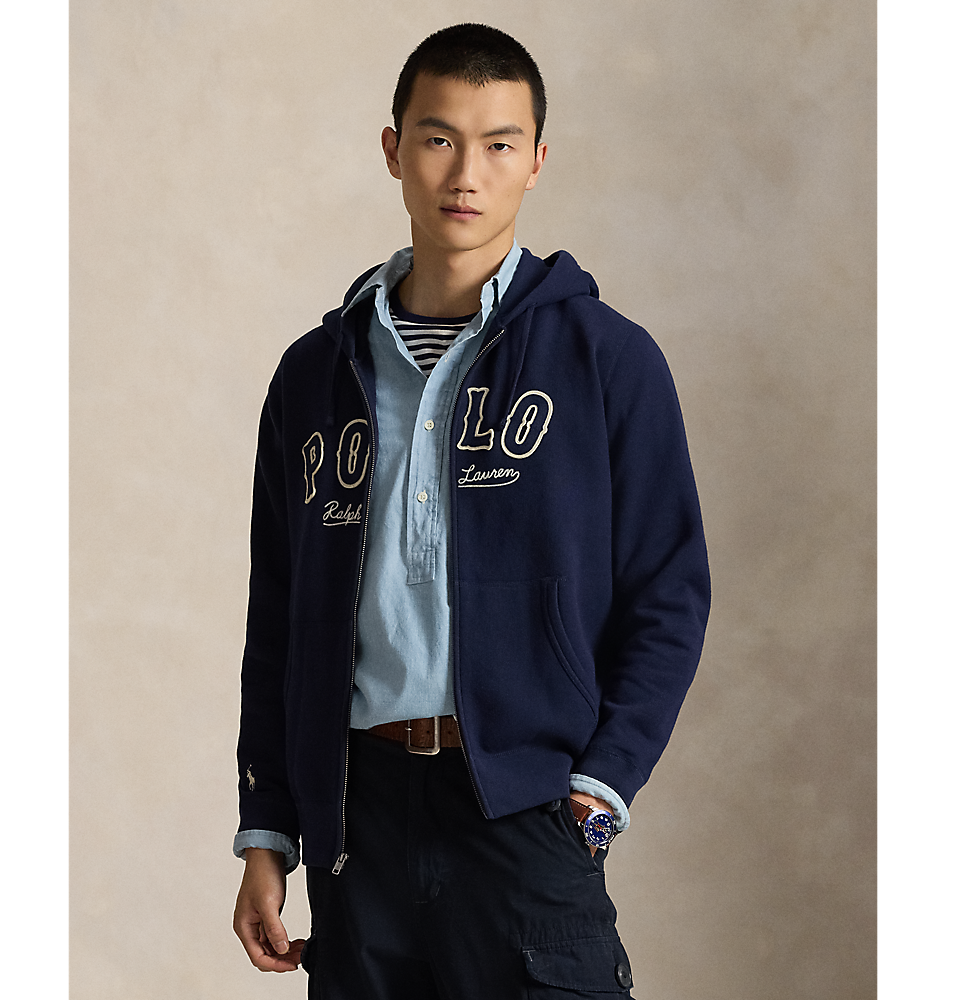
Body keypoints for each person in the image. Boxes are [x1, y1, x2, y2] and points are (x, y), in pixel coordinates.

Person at [232, 22, 710, 999]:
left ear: (536, 161)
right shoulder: (314, 376)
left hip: (524, 810)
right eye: (439, 138)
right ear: (393, 149)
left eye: (498, 144)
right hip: (357, 821)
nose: (466, 173)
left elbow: (669, 596)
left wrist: (597, 792)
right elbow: (278, 619)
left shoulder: (607, 360)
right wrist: (269, 829)